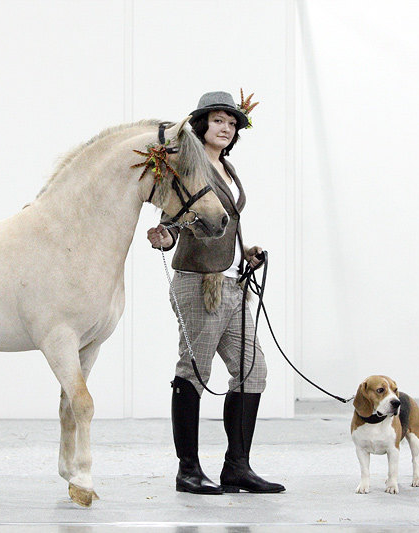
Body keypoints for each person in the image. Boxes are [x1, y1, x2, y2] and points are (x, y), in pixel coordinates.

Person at [146, 91, 285, 495]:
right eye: (219, 120)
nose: (226, 129)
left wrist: (247, 254)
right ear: (202, 124)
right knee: (194, 370)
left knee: (252, 369)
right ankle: (187, 470)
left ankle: (236, 468)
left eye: (232, 123)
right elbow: (173, 222)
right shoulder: (189, 166)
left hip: (231, 284)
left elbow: (227, 223)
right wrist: (165, 239)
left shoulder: (228, 169)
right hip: (197, 282)